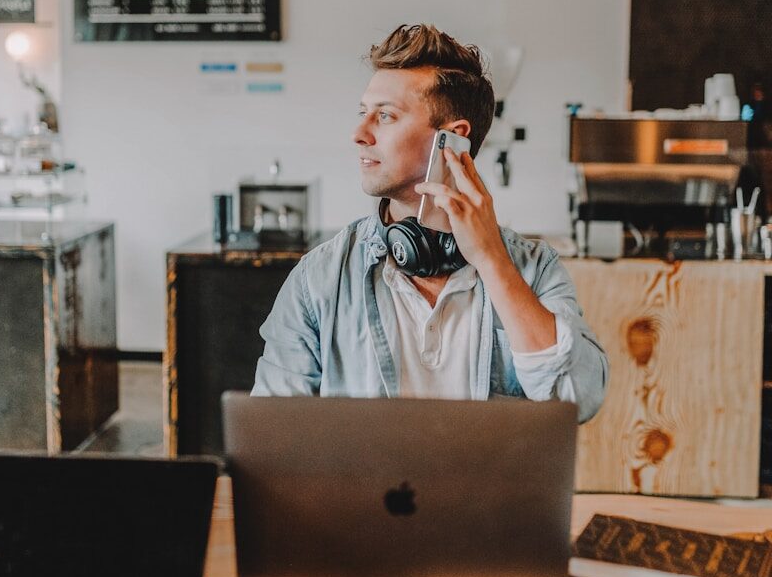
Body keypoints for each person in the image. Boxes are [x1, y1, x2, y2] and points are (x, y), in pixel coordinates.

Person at [252, 24, 607, 422]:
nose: (358, 133)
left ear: (452, 139)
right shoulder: (319, 278)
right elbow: (274, 428)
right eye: (362, 113)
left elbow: (579, 399)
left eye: (385, 116)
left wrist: (492, 261)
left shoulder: (534, 269)